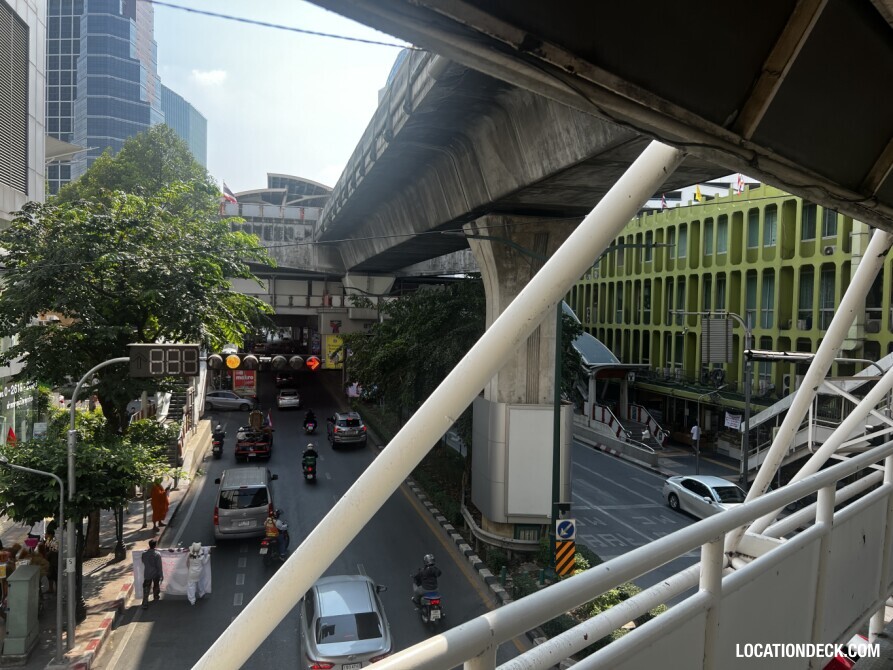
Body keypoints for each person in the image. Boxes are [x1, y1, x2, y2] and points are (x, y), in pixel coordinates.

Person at [141, 539, 163, 609]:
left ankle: (145, 602)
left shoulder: (144, 554)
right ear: (155, 545)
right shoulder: (157, 554)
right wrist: (161, 575)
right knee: (156, 585)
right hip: (155, 573)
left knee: (146, 587)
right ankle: (156, 597)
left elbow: (143, 561)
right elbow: (159, 566)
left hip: (147, 573)